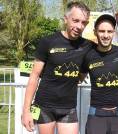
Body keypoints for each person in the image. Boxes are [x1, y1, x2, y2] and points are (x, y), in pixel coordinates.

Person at [21, 1, 92, 134]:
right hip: (44, 106)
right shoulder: (48, 41)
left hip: (69, 108)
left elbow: (82, 75)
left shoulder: (88, 46)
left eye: (83, 22)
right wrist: (26, 111)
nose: (79, 26)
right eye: (75, 20)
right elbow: (34, 76)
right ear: (66, 19)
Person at [81, 14, 118, 134]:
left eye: (109, 31)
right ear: (95, 32)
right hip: (96, 114)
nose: (106, 35)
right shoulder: (88, 55)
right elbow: (78, 79)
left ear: (114, 33)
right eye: (102, 31)